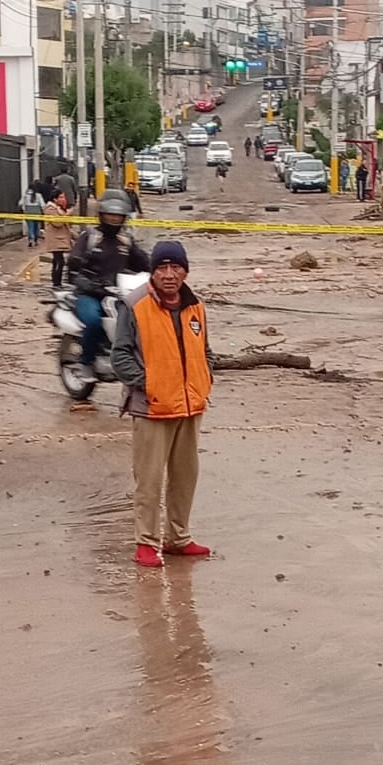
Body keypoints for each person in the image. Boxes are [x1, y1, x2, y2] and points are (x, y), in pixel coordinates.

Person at [112, 239, 212, 569]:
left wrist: (203, 379)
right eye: (162, 268)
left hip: (189, 406)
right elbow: (120, 356)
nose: (169, 274)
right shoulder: (134, 305)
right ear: (152, 271)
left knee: (185, 477)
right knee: (149, 479)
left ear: (185, 270)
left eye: (175, 267)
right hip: (152, 407)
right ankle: (146, 542)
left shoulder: (196, 305)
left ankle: (178, 539)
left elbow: (205, 351)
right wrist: (151, 382)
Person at [67, 188, 150, 382]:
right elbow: (73, 268)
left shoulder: (125, 241)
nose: (114, 219)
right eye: (110, 214)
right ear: (101, 214)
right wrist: (89, 284)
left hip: (118, 294)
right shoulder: (89, 237)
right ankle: (85, 362)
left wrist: (163, 268)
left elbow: (144, 263)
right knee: (94, 321)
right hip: (89, 294)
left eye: (118, 215)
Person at [43, 194, 70, 290]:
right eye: (61, 197)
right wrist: (67, 215)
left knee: (57, 260)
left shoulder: (58, 208)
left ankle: (57, 282)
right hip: (55, 239)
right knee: (59, 261)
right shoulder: (50, 209)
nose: (63, 199)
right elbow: (57, 223)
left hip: (59, 238)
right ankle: (56, 283)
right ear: (55, 199)